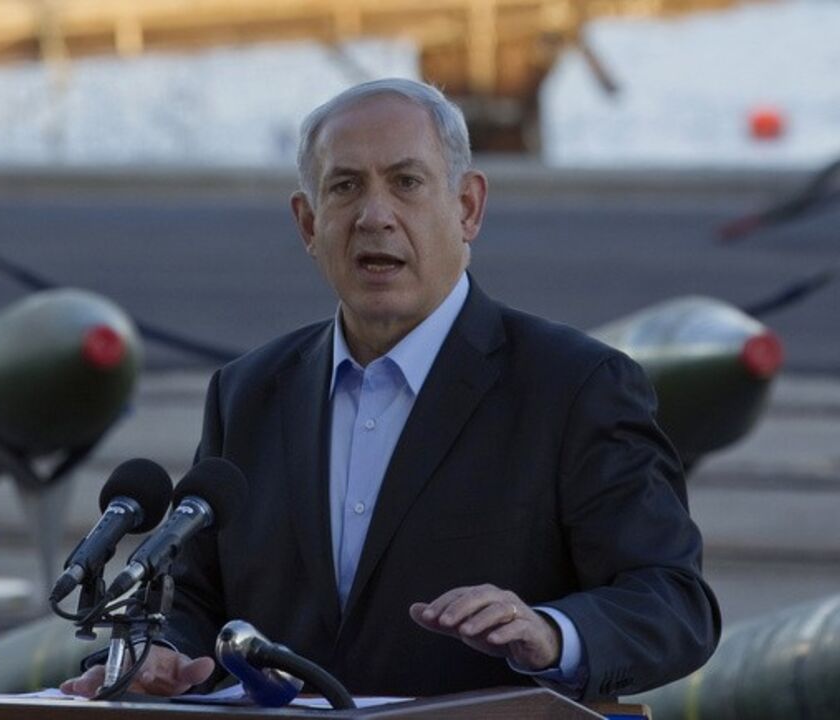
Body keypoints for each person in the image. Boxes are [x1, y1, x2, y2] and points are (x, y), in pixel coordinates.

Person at [62, 78, 720, 701]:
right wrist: (158, 652)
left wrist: (551, 632)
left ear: (467, 207)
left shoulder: (574, 386)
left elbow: (672, 602)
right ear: (308, 223)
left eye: (407, 183)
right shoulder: (249, 392)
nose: (375, 216)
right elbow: (196, 600)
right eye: (345, 187)